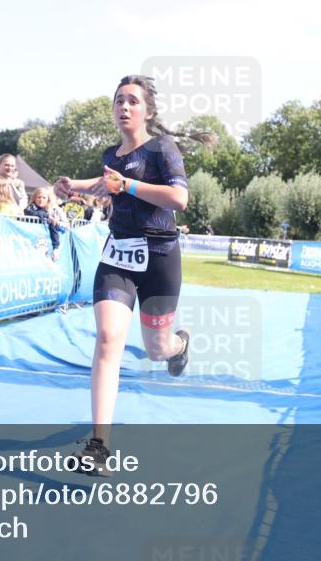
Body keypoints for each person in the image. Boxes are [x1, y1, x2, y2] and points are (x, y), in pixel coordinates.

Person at [54, 74, 211, 475]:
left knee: (157, 348)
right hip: (118, 257)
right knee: (109, 339)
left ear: (148, 111)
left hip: (160, 257)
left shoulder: (163, 149)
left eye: (132, 101)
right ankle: (99, 446)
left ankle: (180, 345)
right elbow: (110, 186)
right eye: (118, 100)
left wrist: (130, 185)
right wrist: (76, 187)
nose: (124, 107)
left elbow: (179, 198)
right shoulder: (113, 154)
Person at [23, 186, 63, 260]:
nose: (41, 199)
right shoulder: (30, 208)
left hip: (43, 244)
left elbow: (54, 229)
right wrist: (48, 216)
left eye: (44, 198)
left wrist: (57, 222)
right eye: (39, 197)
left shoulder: (49, 211)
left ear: (48, 200)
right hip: (30, 242)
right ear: (34, 198)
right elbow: (31, 212)